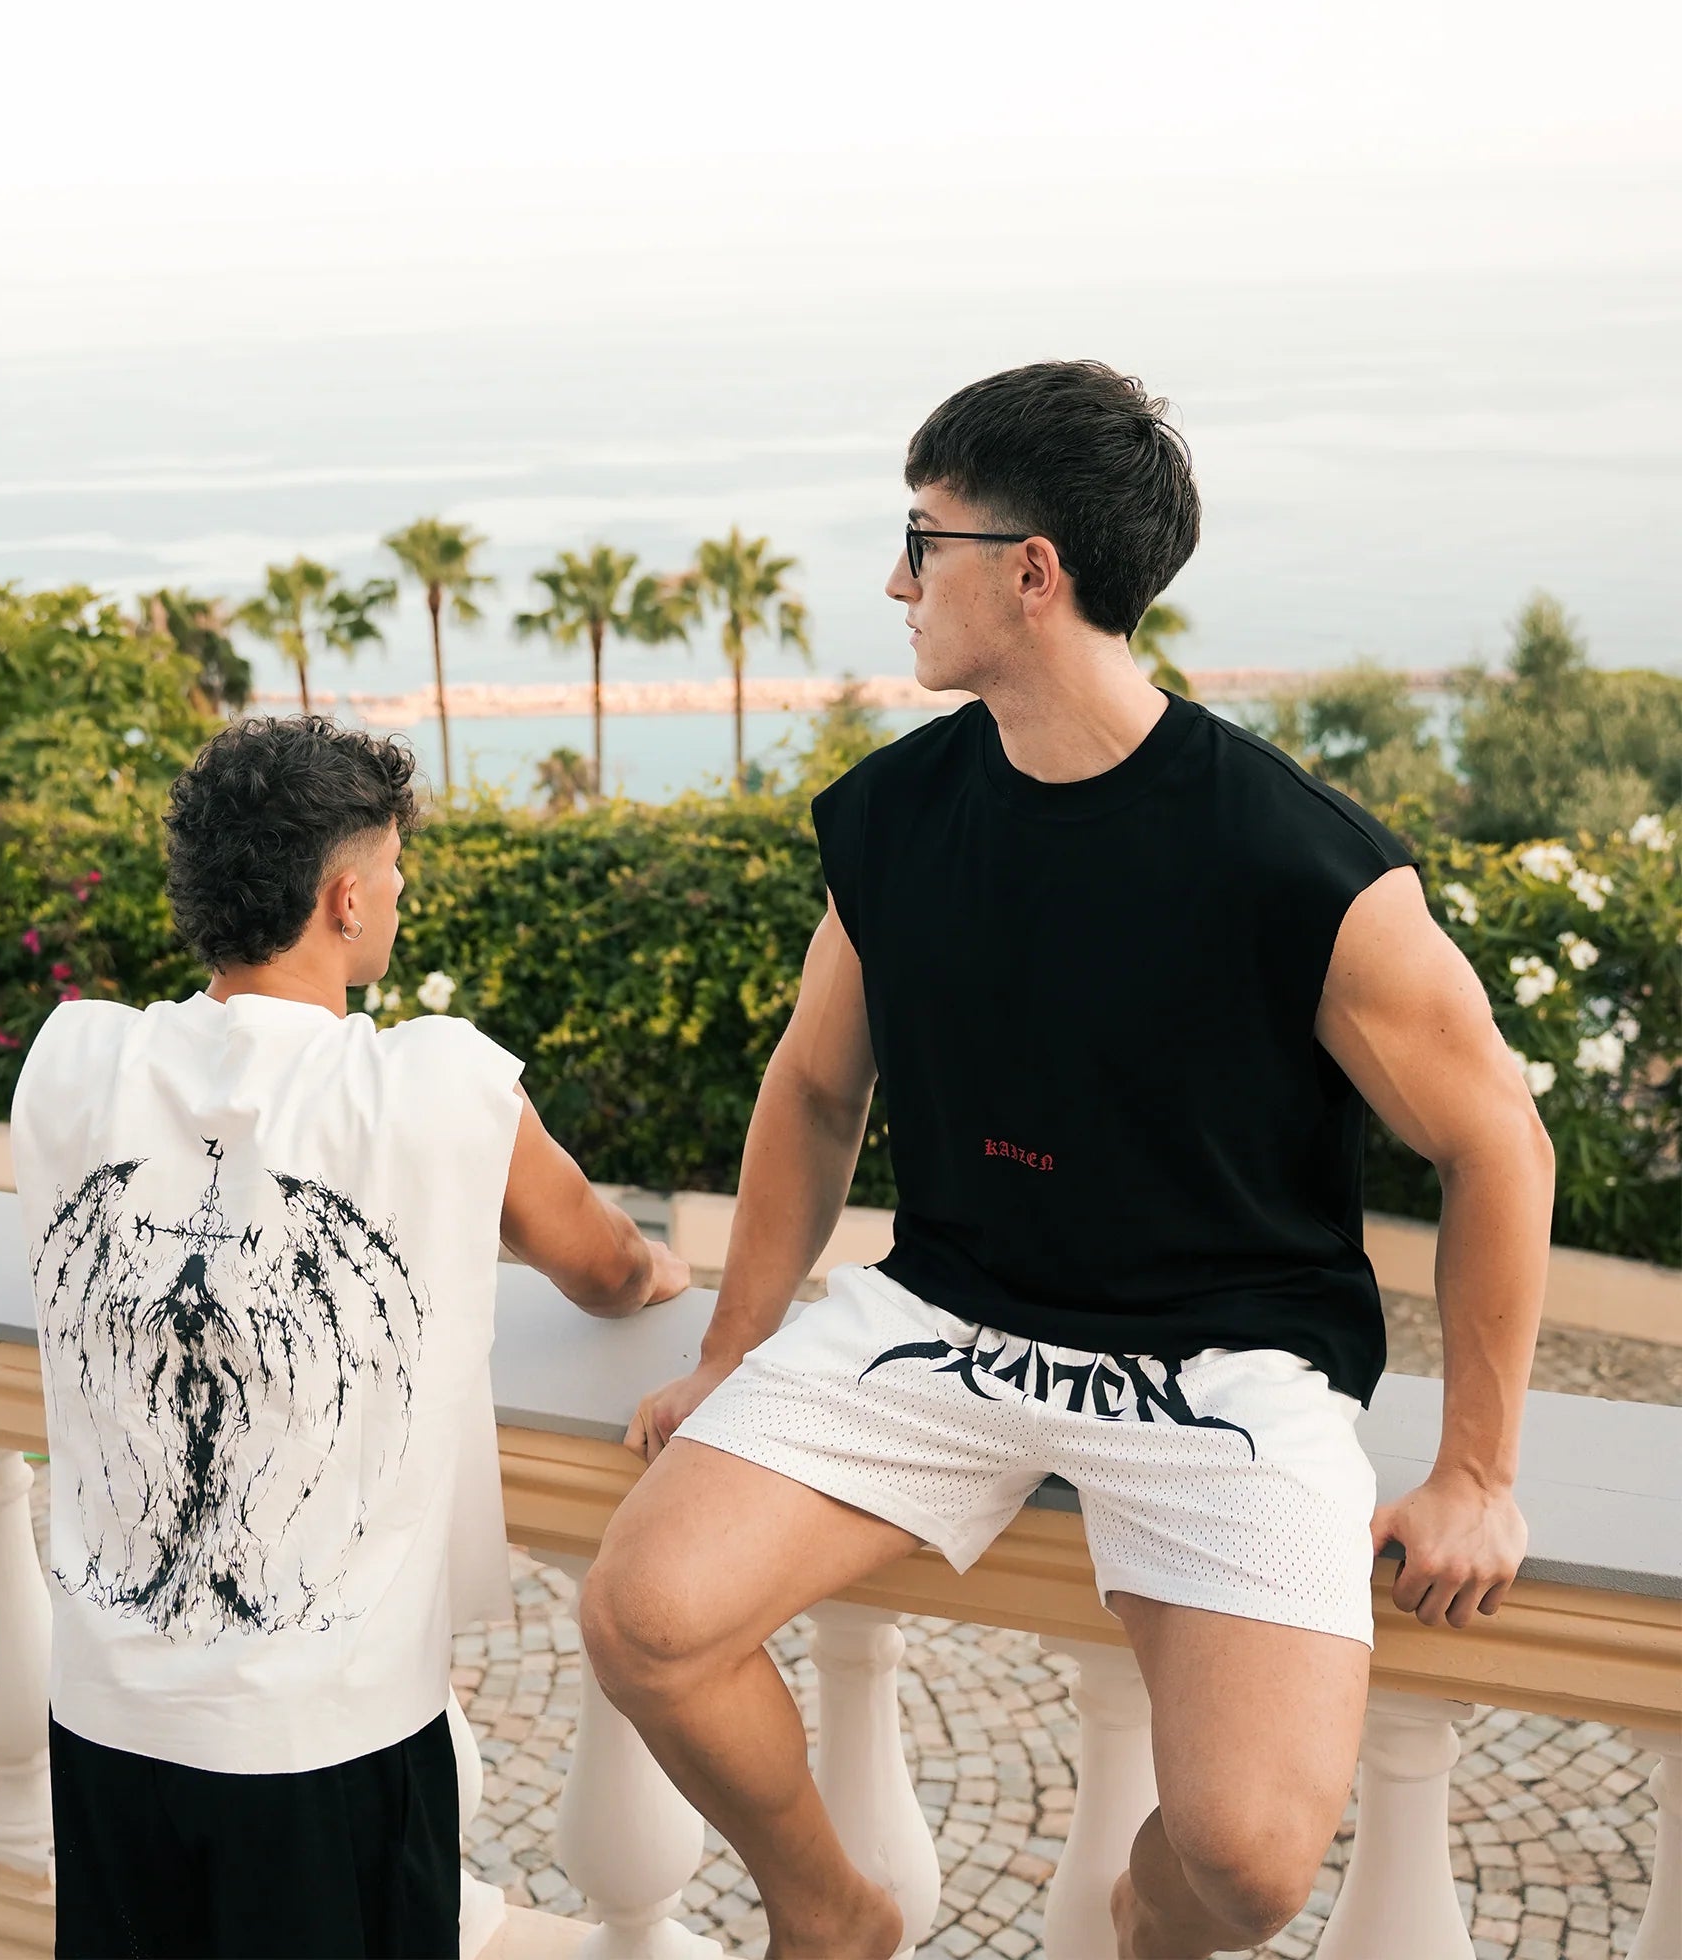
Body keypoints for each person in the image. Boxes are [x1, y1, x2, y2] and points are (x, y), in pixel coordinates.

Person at [582, 362, 1552, 1960]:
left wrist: (1479, 1475)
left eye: (925, 540)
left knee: (1248, 1866)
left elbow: (1497, 1141)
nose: (897, 580)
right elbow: (816, 1091)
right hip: (944, 1321)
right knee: (644, 1618)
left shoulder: (1294, 858)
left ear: (1032, 573)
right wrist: (734, 1350)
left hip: (1224, 1367)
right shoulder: (897, 814)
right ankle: (833, 1915)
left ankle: (1135, 1931)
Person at [12, 714, 688, 1960]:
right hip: (324, 1741)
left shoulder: (73, 1060)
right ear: (345, 899)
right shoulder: (432, 1085)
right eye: (392, 868)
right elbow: (603, 1266)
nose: (399, 892)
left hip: (106, 1725)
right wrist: (663, 1274)